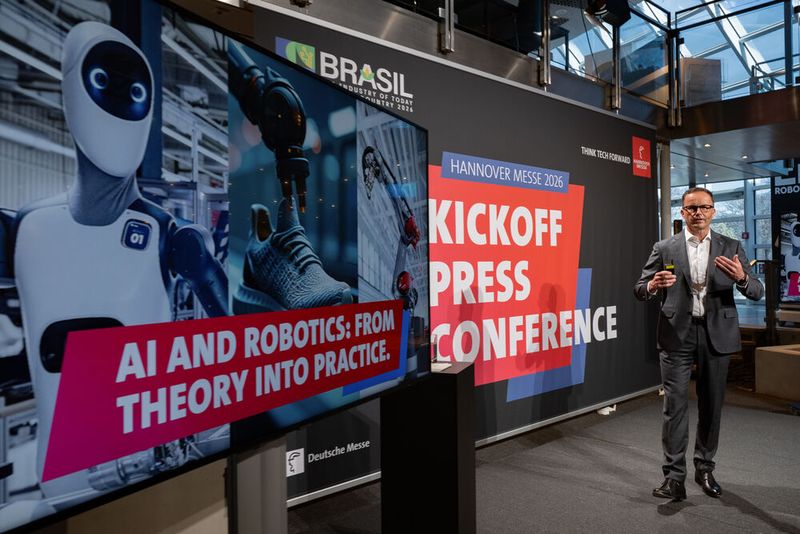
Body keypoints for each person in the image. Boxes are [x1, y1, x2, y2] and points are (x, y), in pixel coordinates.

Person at [634, 186, 763, 501]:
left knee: (711, 406)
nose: (698, 213)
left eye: (704, 207)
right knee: (674, 407)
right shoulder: (664, 247)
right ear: (682, 212)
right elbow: (639, 288)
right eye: (691, 208)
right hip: (676, 334)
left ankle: (704, 468)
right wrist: (651, 284)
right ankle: (674, 478)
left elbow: (757, 290)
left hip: (716, 334)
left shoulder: (730, 246)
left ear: (713, 211)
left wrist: (742, 279)